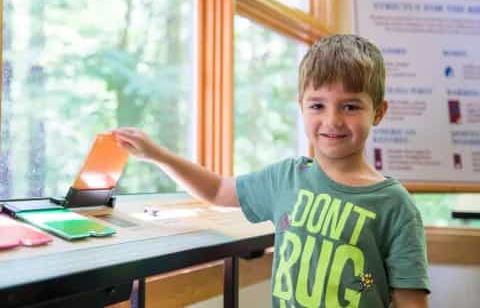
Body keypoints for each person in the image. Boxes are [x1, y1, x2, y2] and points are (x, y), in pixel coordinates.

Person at [112, 34, 430, 308]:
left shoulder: (395, 204)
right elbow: (219, 190)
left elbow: (410, 301)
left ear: (379, 112)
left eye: (350, 106)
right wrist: (157, 155)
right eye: (318, 105)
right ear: (301, 107)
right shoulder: (284, 178)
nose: (332, 120)